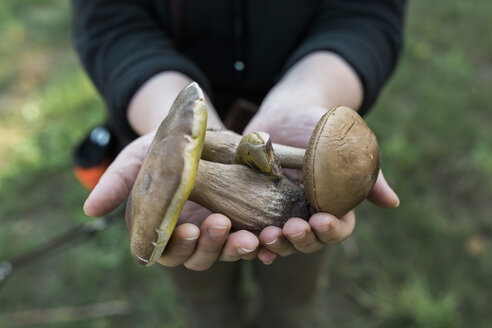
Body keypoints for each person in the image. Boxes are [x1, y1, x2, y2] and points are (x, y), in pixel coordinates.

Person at [72, 1, 405, 327]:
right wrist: (160, 108)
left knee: (292, 293)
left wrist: (309, 94)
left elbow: (367, 13)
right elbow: (110, 22)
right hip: (170, 138)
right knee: (203, 289)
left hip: (300, 172)